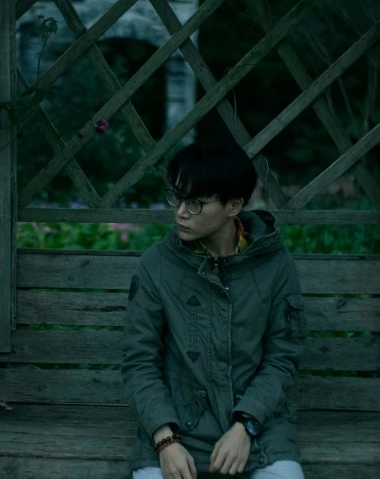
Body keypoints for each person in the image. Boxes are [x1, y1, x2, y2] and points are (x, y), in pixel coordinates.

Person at [121, 140, 307, 479]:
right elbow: (139, 362)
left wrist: (245, 426)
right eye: (176, 197)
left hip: (259, 429)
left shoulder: (275, 265)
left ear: (233, 205)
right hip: (175, 429)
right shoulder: (156, 266)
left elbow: (282, 358)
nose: (180, 211)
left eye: (195, 203)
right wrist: (165, 441)